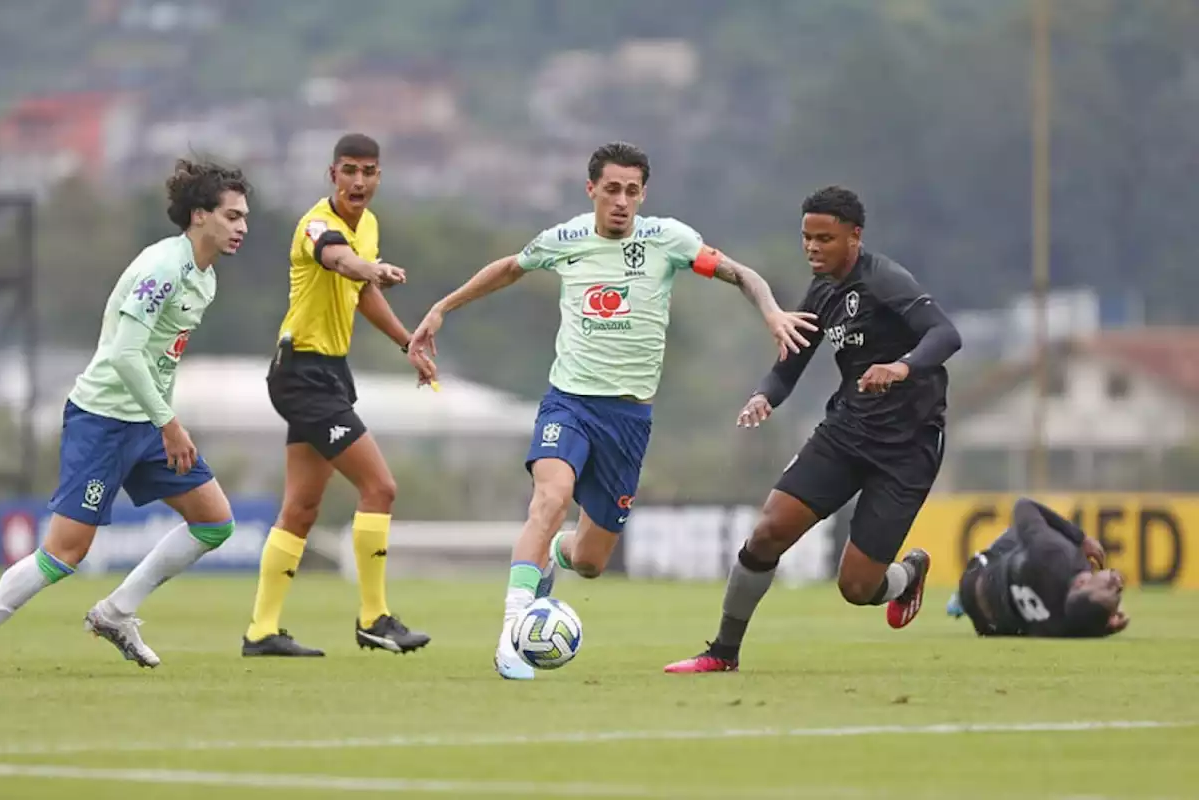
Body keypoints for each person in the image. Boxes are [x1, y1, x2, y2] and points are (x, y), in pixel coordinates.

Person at [406, 141, 817, 680]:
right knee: (549, 498)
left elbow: (742, 274)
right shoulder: (566, 239)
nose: (621, 201)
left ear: (643, 194)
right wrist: (441, 308)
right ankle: (512, 635)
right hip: (569, 403)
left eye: (631, 191)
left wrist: (770, 314)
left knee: (590, 562)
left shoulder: (668, 240)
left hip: (628, 421)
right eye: (611, 190)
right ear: (591, 190)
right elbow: (509, 268)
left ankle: (551, 553)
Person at [0, 159, 253, 678]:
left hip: (147, 424)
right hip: (103, 422)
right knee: (66, 552)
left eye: (244, 217)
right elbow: (126, 355)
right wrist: (170, 424)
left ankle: (117, 612)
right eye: (232, 215)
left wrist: (160, 424)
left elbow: (159, 359)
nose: (242, 227)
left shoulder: (205, 278)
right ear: (199, 216)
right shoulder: (163, 269)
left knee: (214, 522)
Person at [665, 186, 963, 674]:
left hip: (907, 448)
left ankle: (906, 574)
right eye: (807, 237)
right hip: (846, 432)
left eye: (825, 238)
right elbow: (790, 364)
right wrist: (765, 395)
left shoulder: (885, 280)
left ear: (855, 236)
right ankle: (722, 653)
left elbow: (945, 334)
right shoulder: (821, 292)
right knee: (767, 533)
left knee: (856, 588)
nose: (813, 248)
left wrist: (901, 368)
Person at [242, 133, 434, 658]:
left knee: (301, 506)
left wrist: (407, 342)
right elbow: (341, 262)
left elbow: (362, 292)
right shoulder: (317, 225)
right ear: (332, 175)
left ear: (378, 177)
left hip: (328, 373)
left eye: (368, 172)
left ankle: (261, 630)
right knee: (381, 487)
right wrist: (370, 268)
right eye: (348, 170)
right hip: (300, 373)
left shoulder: (368, 226)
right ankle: (374, 618)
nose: (358, 181)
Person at [946, 497, 1128, 638]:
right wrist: (1105, 627)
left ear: (1081, 582)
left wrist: (1080, 537)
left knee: (1028, 533)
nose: (1118, 582)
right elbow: (1089, 622)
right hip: (988, 625)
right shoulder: (1070, 626)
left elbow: (1024, 506)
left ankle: (960, 599)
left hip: (973, 581)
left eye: (1110, 586)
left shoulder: (1056, 556)